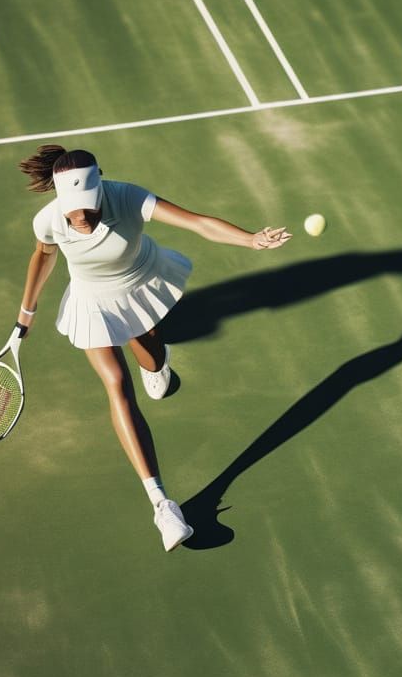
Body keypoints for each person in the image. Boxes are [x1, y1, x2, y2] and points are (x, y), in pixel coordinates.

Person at [15, 145, 291, 551]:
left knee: (152, 356)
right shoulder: (48, 221)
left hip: (141, 282)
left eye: (89, 208)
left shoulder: (127, 196)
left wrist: (251, 240)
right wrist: (27, 309)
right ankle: (162, 504)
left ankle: (158, 364)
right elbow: (42, 257)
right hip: (93, 301)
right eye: (74, 210)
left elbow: (197, 223)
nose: (82, 218)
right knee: (116, 384)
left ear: (101, 187)